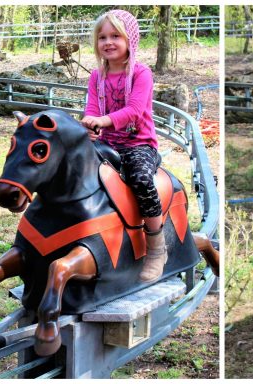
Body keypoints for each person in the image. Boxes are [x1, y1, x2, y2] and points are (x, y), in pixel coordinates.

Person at [82, 9, 166, 283]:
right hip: (107, 143)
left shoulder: (141, 74)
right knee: (75, 172)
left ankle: (156, 248)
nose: (108, 42)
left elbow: (134, 110)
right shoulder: (97, 76)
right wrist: (90, 125)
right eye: (102, 37)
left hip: (138, 144)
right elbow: (92, 107)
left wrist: (103, 120)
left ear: (130, 39)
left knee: (141, 180)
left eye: (115, 36)